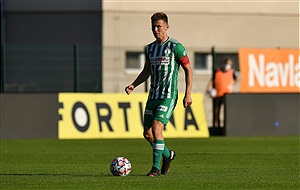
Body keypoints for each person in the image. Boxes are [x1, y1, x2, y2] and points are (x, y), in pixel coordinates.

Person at [125, 12, 193, 176]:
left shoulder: (176, 47)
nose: (155, 30)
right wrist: (133, 85)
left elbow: (188, 70)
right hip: (153, 96)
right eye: (153, 27)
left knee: (157, 128)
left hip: (168, 96)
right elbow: (146, 71)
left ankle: (155, 168)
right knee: (147, 134)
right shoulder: (150, 48)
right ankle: (168, 155)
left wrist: (188, 93)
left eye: (159, 26)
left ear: (167, 27)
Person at [205, 58, 238, 134]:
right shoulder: (217, 71)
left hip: (227, 95)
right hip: (218, 94)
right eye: (227, 63)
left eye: (229, 64)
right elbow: (212, 80)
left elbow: (236, 80)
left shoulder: (231, 72)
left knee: (227, 112)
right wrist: (207, 89)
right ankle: (218, 128)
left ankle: (227, 127)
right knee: (217, 111)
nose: (228, 66)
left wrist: (232, 86)